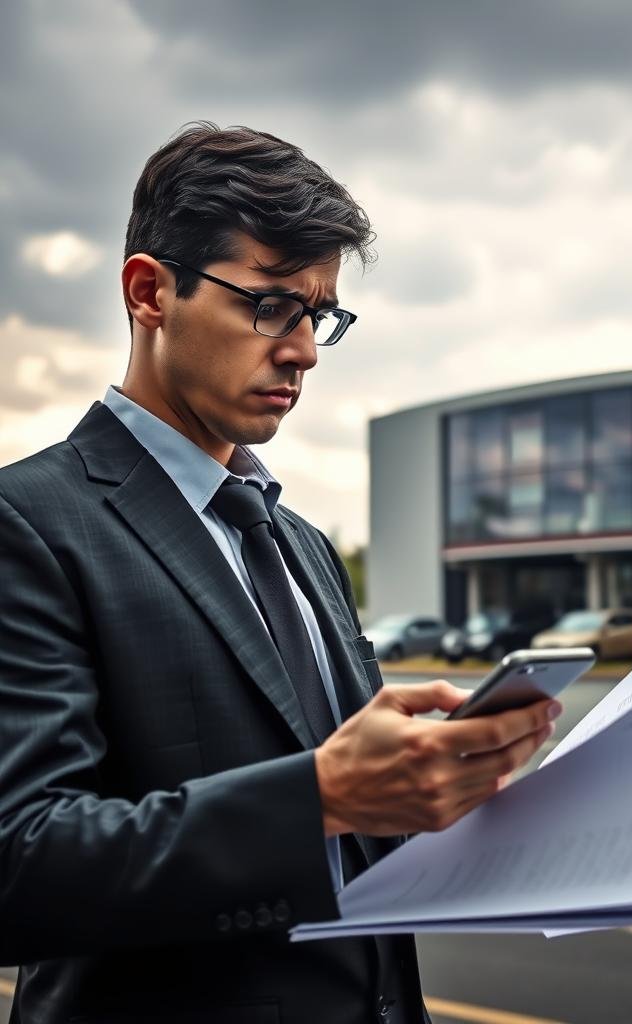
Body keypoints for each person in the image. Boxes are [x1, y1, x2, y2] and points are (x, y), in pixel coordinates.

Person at [0, 122, 561, 1024]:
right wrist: (321, 797)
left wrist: (441, 785)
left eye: (319, 315)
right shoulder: (27, 524)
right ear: (150, 292)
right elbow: (18, 863)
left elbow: (352, 817)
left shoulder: (303, 544)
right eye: (269, 306)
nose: (301, 350)